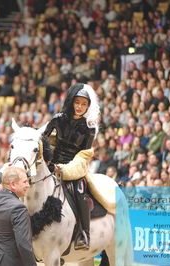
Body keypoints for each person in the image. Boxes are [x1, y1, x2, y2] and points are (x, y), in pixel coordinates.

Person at [43, 83, 100, 250]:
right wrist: (48, 162)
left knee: (80, 191)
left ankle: (84, 234)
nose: (80, 107)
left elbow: (83, 156)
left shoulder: (89, 128)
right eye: (77, 102)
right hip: (52, 164)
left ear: (88, 106)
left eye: (84, 104)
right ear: (71, 101)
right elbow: (44, 141)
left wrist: (66, 170)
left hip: (73, 168)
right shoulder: (57, 119)